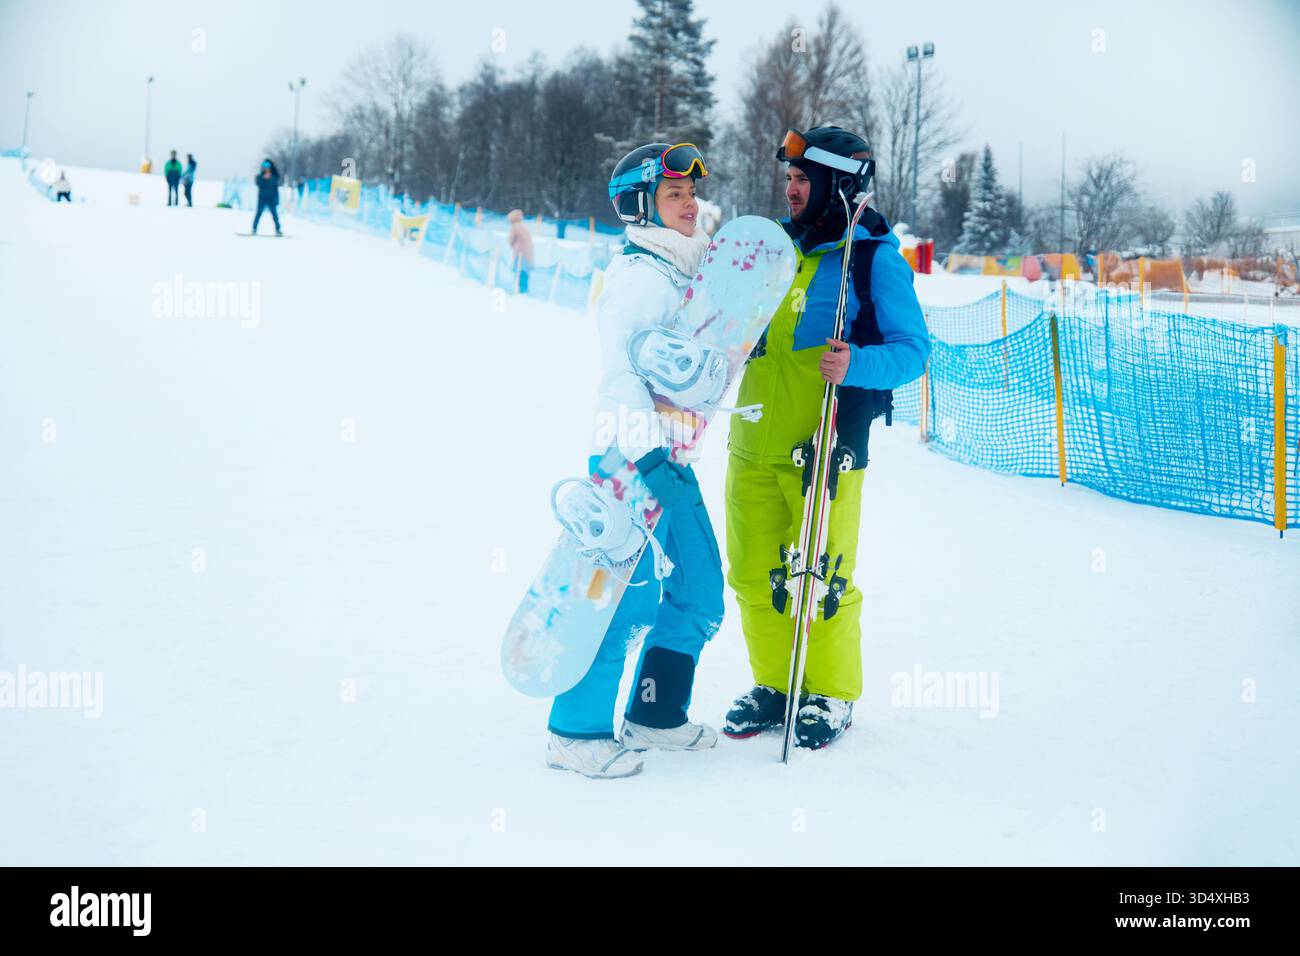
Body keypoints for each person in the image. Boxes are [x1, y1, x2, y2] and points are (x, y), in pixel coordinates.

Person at [722, 126, 930, 750]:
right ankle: (776, 684)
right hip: (752, 439)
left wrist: (857, 365)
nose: (790, 190)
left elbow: (913, 351)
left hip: (824, 448)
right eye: (788, 178)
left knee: (822, 578)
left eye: (803, 180)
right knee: (755, 576)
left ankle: (830, 691)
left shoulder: (872, 259)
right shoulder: (773, 251)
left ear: (838, 185)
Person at [545, 143, 721, 779]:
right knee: (621, 601)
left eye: (691, 194)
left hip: (669, 454)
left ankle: (655, 713)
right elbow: (621, 380)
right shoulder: (640, 277)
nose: (690, 204)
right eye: (674, 196)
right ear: (642, 207)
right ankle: (575, 730)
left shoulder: (676, 268)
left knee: (699, 590)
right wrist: (647, 461)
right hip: (630, 457)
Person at [251, 158, 282, 236]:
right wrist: (263, 179)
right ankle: (254, 229)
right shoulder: (260, 176)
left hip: (271, 199)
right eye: (264, 165)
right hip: (262, 198)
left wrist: (277, 198)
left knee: (275, 215)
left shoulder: (274, 177)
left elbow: (276, 189)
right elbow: (258, 183)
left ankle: (278, 230)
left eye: (267, 165)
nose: (266, 167)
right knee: (258, 214)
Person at [506, 210, 534, 294]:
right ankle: (525, 289)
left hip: (520, 253)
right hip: (528, 254)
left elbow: (510, 240)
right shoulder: (523, 226)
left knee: (519, 271)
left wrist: (513, 245)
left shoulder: (515, 227)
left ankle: (520, 290)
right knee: (525, 272)